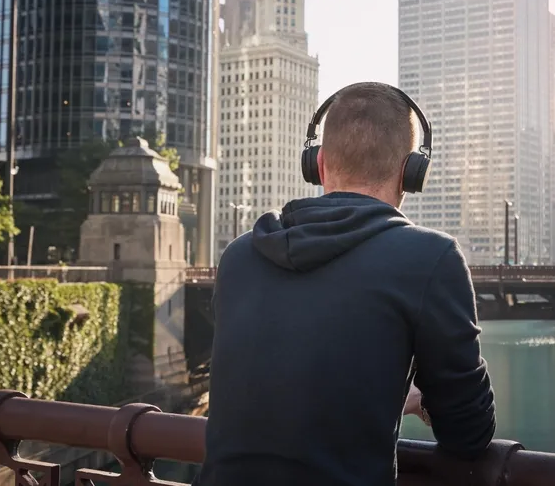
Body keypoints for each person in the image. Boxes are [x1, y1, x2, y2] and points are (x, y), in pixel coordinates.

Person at [198, 82, 496, 486]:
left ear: (317, 164)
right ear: (411, 173)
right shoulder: (431, 259)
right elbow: (469, 434)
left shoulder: (239, 257)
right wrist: (410, 399)